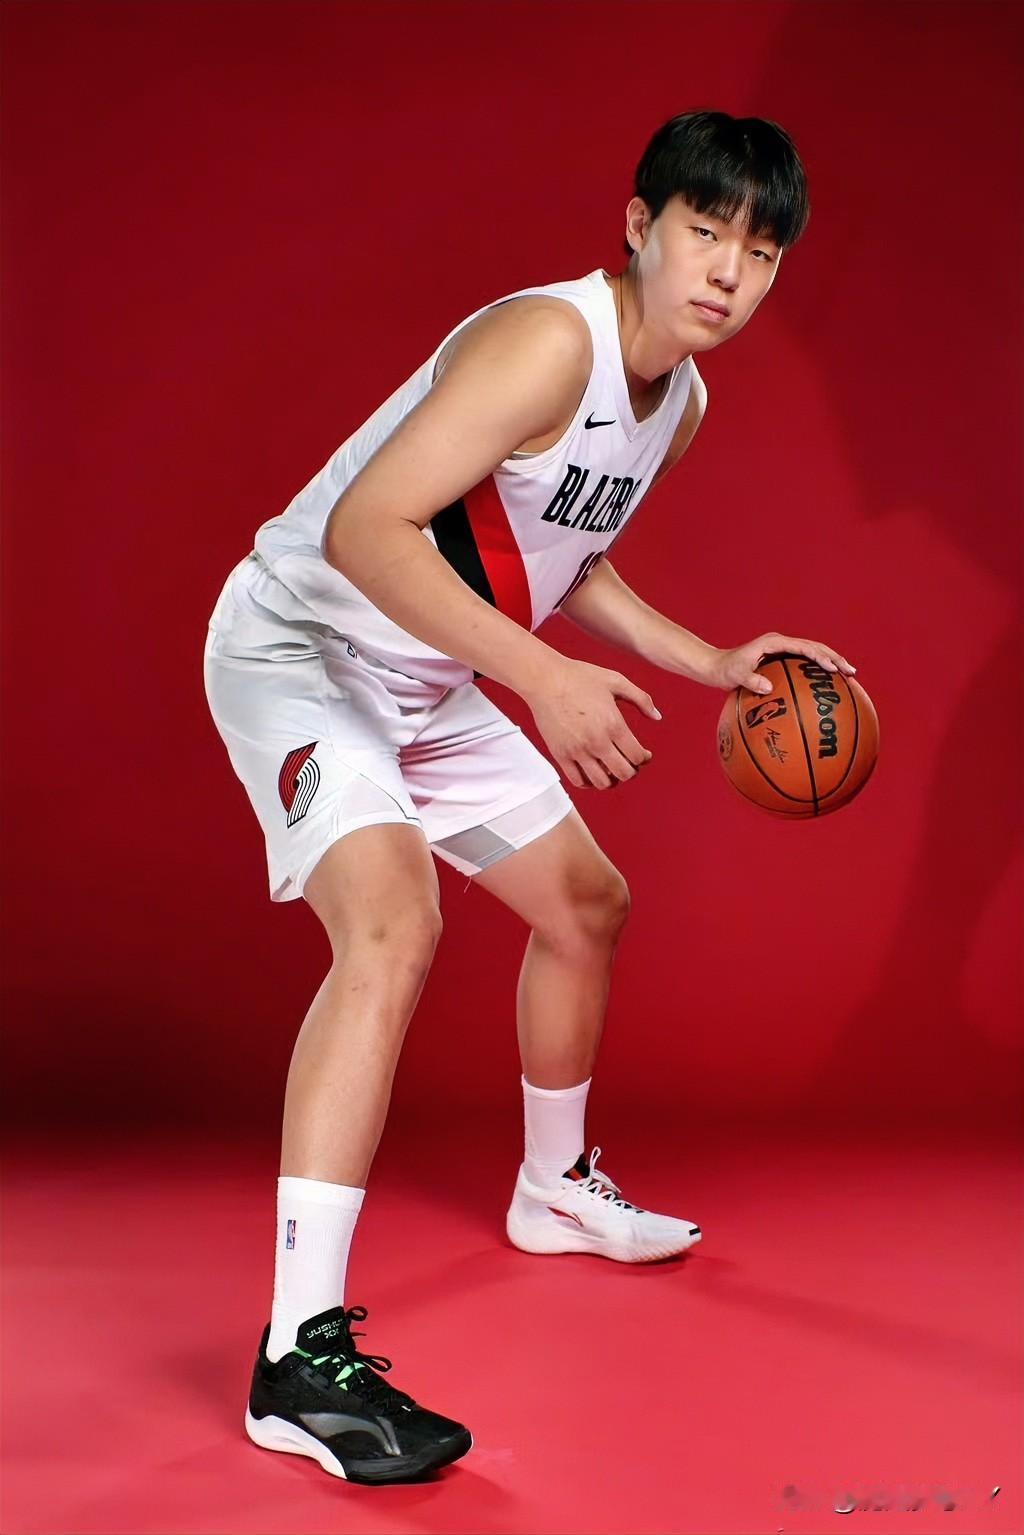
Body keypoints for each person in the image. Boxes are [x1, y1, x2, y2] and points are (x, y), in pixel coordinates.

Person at [203, 109, 855, 1486]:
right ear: (639, 225)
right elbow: (364, 528)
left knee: (586, 907)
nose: (728, 271)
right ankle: (295, 1359)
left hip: (428, 674)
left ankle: (553, 1192)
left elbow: (558, 550)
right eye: (705, 231)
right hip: (303, 649)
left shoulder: (680, 402)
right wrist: (544, 679)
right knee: (393, 925)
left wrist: (709, 660)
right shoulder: (546, 344)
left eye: (761, 251)